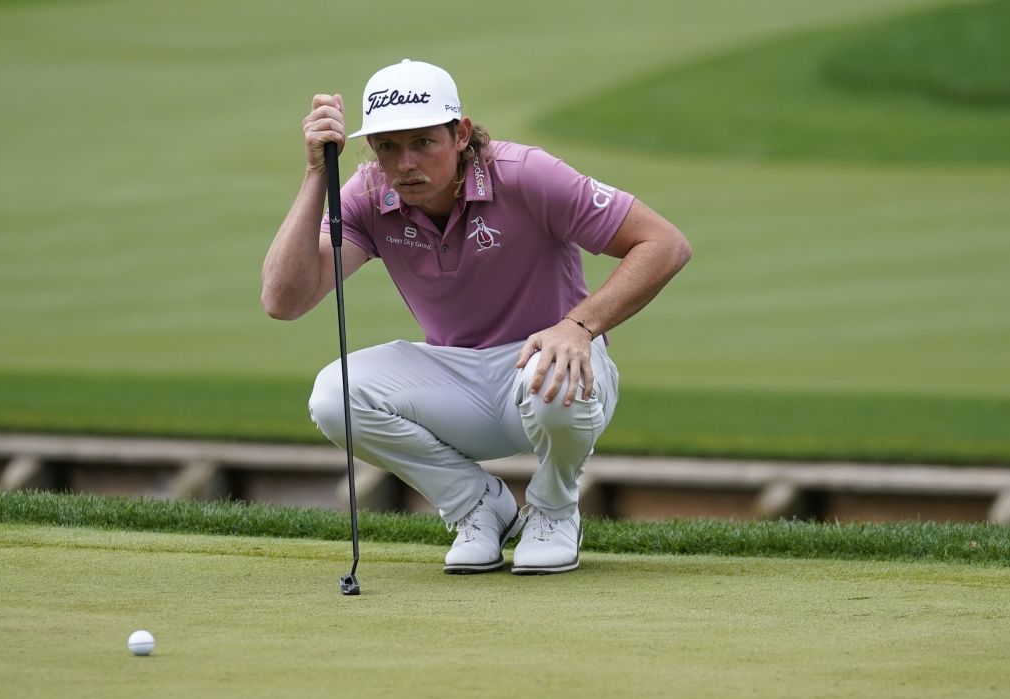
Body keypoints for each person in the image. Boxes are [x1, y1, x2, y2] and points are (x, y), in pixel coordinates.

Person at [262, 60, 690, 575]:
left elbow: (664, 243)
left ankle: (554, 509)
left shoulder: (525, 174)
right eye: (388, 146)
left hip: (551, 366)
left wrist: (580, 326)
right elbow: (284, 300)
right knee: (335, 396)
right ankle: (476, 505)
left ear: (460, 133)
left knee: (551, 370)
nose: (405, 164)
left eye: (423, 142)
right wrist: (316, 174)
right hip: (457, 381)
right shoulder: (371, 194)